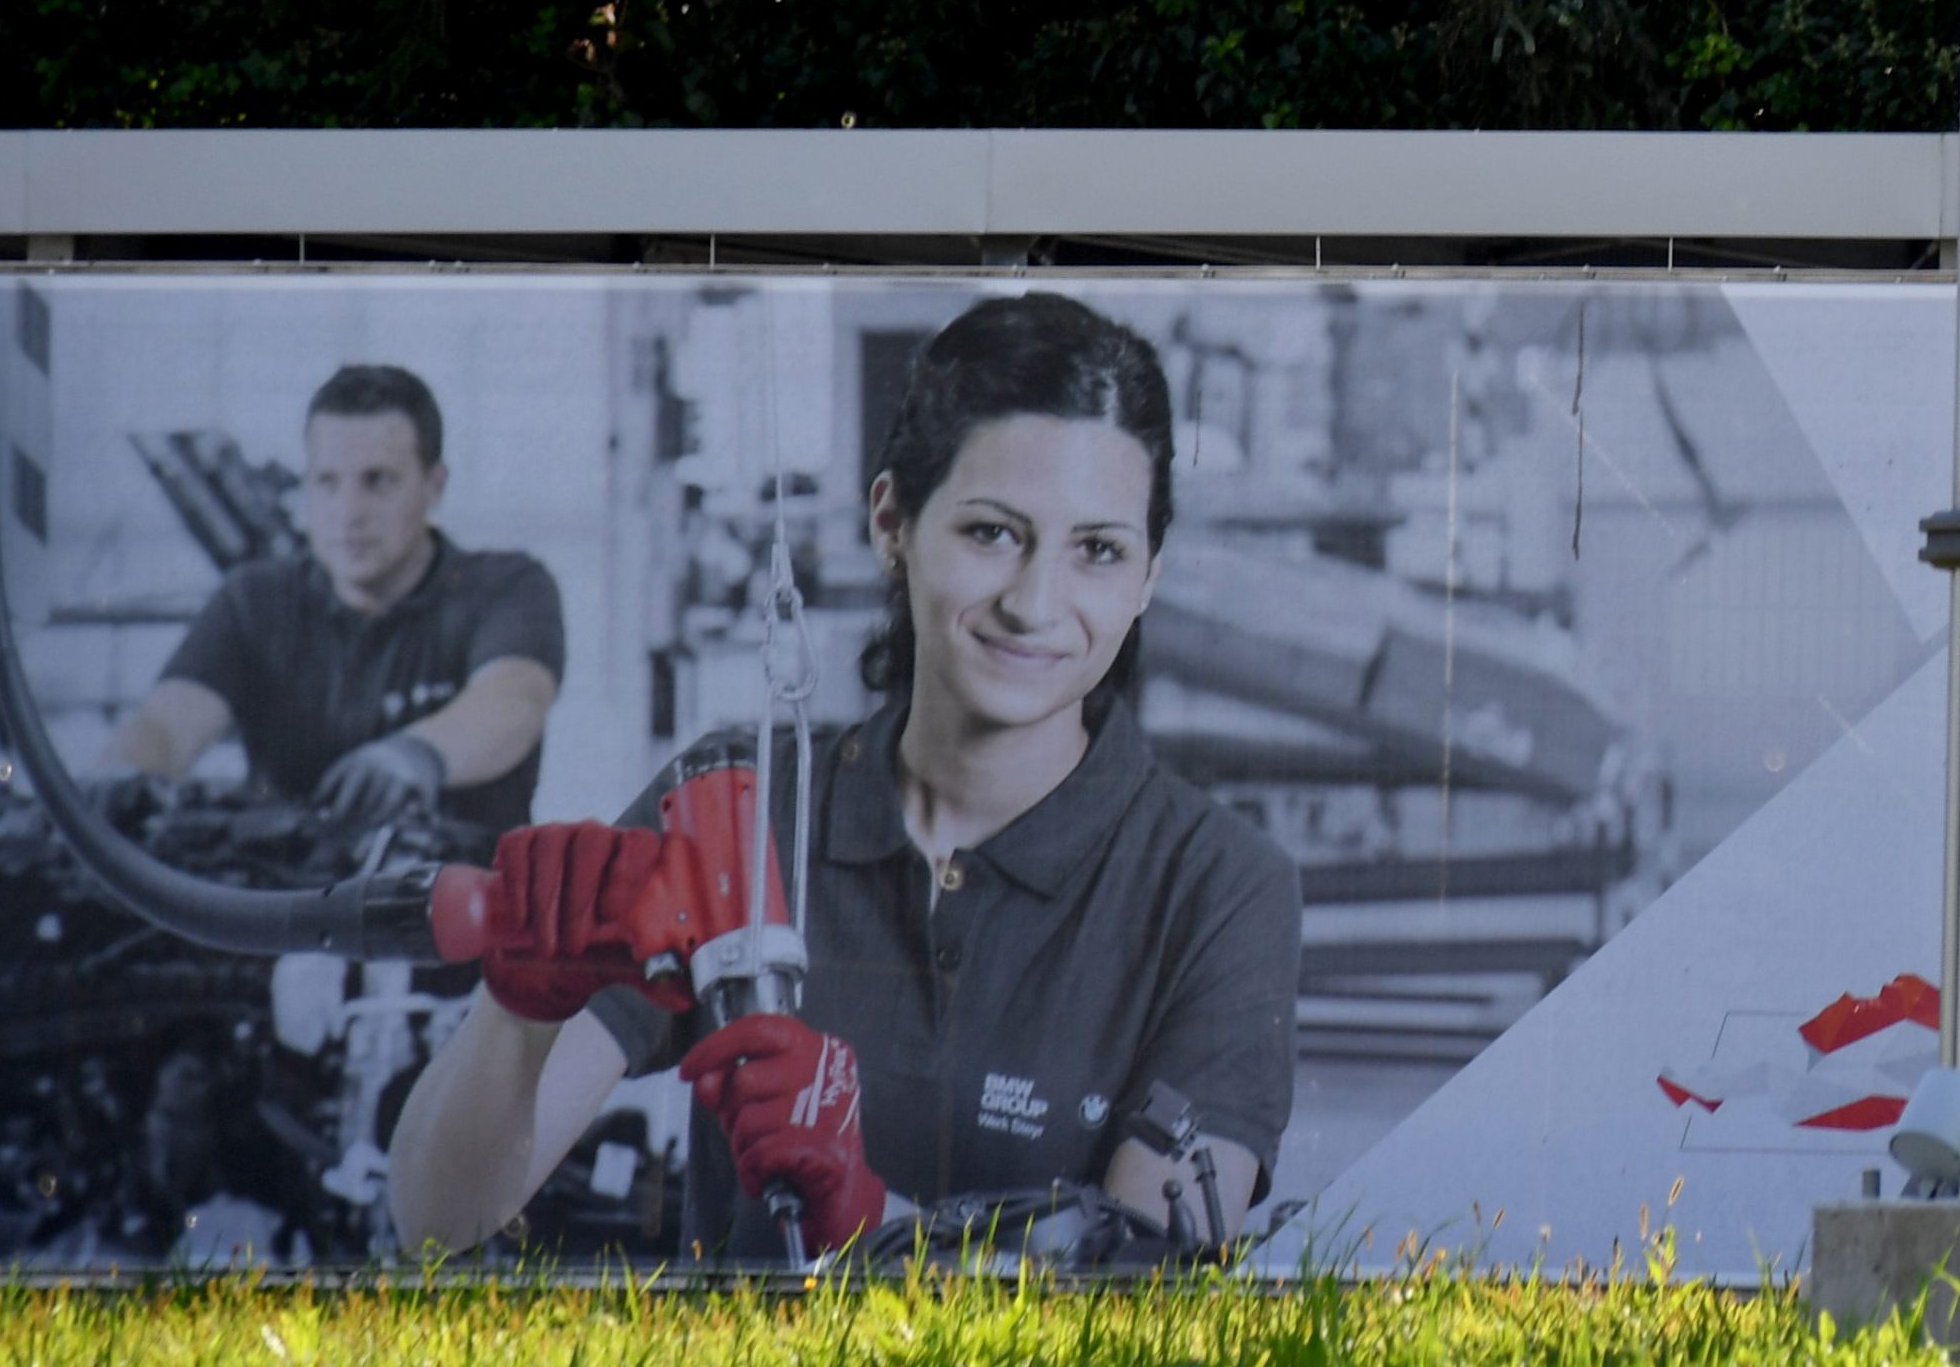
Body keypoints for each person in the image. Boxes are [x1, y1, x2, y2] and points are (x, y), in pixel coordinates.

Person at [385, 296, 1303, 1261]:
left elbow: (1151, 1306)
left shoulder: (1220, 885)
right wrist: (519, 1006)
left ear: (1149, 575)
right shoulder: (739, 805)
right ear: (892, 521)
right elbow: (434, 1227)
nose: (1037, 602)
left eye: (1099, 551)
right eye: (992, 533)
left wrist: (874, 1231)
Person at [110, 365, 566, 831]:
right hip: (290, 896)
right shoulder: (255, 600)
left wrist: (416, 756)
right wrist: (115, 784)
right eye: (328, 482)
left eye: (379, 481)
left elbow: (511, 702)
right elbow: (167, 726)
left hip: (459, 895)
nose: (348, 513)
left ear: (434, 485)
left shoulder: (505, 587)